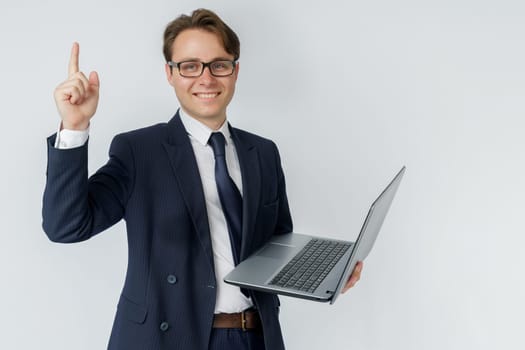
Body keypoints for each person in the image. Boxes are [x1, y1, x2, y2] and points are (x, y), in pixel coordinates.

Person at [42, 8, 363, 350]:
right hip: (168, 339)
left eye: (219, 65)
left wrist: (324, 274)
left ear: (235, 71)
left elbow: (274, 246)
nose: (206, 79)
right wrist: (74, 127)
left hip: (256, 337)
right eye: (190, 66)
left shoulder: (264, 153)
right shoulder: (139, 151)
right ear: (170, 73)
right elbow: (66, 226)